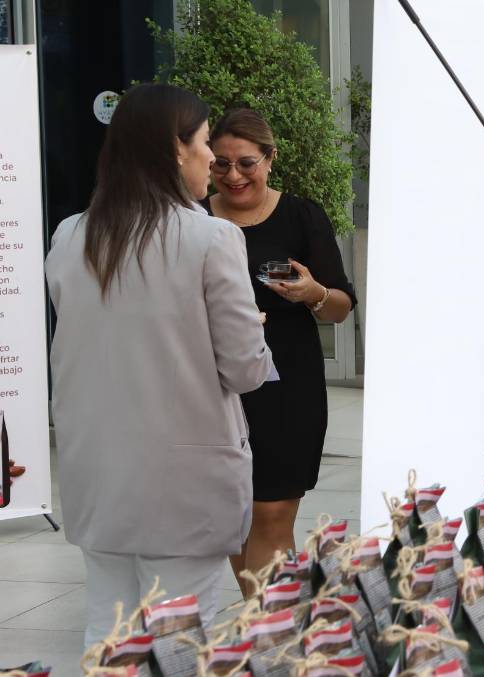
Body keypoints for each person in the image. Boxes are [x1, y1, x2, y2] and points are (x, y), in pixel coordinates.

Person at [44, 84, 274, 645]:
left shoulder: (72, 235)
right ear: (176, 150)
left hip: (95, 475)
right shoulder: (211, 236)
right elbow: (245, 369)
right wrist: (253, 335)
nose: (211, 161)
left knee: (109, 631)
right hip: (182, 484)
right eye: (204, 145)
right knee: (177, 641)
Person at [202, 108, 356, 596]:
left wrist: (311, 291)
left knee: (272, 510)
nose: (233, 176)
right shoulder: (193, 219)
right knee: (234, 511)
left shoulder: (301, 215)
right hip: (215, 385)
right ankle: (262, 623)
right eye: (220, 164)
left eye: (246, 163)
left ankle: (269, 631)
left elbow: (340, 307)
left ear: (270, 159)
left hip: (289, 381)